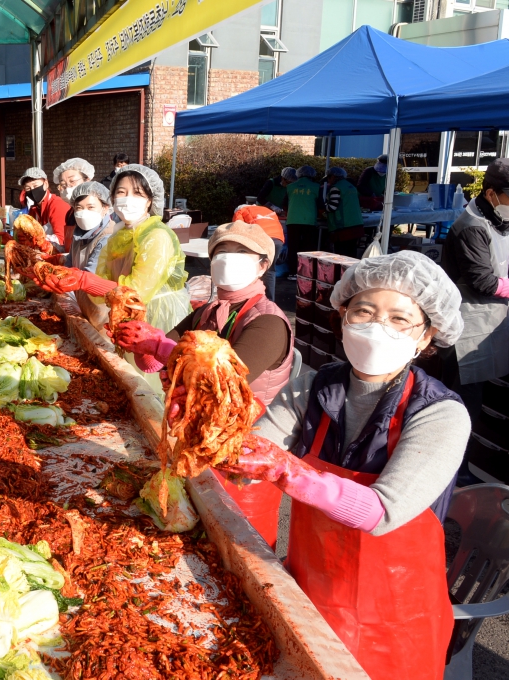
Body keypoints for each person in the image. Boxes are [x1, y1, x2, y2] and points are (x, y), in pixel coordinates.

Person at [218, 250, 467, 680]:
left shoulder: (439, 413)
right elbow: (252, 450)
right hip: (310, 591)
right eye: (364, 311)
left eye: (398, 319)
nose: (376, 327)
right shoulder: (315, 385)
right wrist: (209, 426)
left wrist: (288, 471)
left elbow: (381, 512)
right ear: (343, 316)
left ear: (426, 337)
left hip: (395, 617)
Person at [115, 220, 293, 548]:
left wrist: (163, 347)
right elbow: (155, 361)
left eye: (241, 252)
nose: (229, 258)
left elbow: (221, 382)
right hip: (195, 444)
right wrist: (142, 341)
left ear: (263, 264)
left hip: (243, 459)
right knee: (188, 541)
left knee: (237, 552)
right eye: (221, 251)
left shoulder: (268, 323)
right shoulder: (205, 313)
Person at [36, 164, 190, 394]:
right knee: (129, 381)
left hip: (158, 318)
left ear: (150, 200)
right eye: (121, 192)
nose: (128, 199)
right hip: (125, 318)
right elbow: (103, 286)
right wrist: (72, 279)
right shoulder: (119, 233)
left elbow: (136, 294)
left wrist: (84, 281)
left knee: (156, 387)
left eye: (137, 193)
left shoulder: (157, 235)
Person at [441, 158, 509, 426]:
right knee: (462, 401)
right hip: (468, 327)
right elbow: (483, 281)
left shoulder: (499, 218)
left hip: (493, 319)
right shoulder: (470, 226)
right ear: (491, 194)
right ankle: (457, 464)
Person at [62, 182, 116, 327]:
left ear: (105, 208)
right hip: (84, 305)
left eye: (91, 207)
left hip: (103, 313)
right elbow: (68, 264)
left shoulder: (108, 236)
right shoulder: (79, 233)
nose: (83, 212)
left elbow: (90, 276)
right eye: (79, 208)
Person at [232, 203, 285, 301]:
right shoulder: (266, 209)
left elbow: (237, 229)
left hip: (261, 237)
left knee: (251, 266)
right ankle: (269, 300)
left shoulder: (241, 211)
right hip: (278, 240)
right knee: (270, 270)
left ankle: (248, 298)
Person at [18, 167, 72, 251]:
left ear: (46, 184)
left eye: (35, 185)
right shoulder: (33, 210)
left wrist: (34, 241)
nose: (32, 190)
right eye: (28, 188)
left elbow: (61, 240)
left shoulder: (57, 205)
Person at [284, 165, 321, 279]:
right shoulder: (316, 187)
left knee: (293, 247)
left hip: (292, 221)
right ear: (312, 175)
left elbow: (284, 205)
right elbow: (321, 207)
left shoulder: (290, 187)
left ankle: (292, 273)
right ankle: (305, 273)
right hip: (309, 221)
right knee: (307, 248)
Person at [322, 166, 364, 257]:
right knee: (352, 253)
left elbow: (332, 207)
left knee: (342, 255)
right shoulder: (351, 187)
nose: (328, 182)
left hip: (343, 227)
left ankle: (342, 272)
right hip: (357, 224)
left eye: (328, 178)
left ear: (332, 177)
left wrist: (323, 207)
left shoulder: (336, 188)